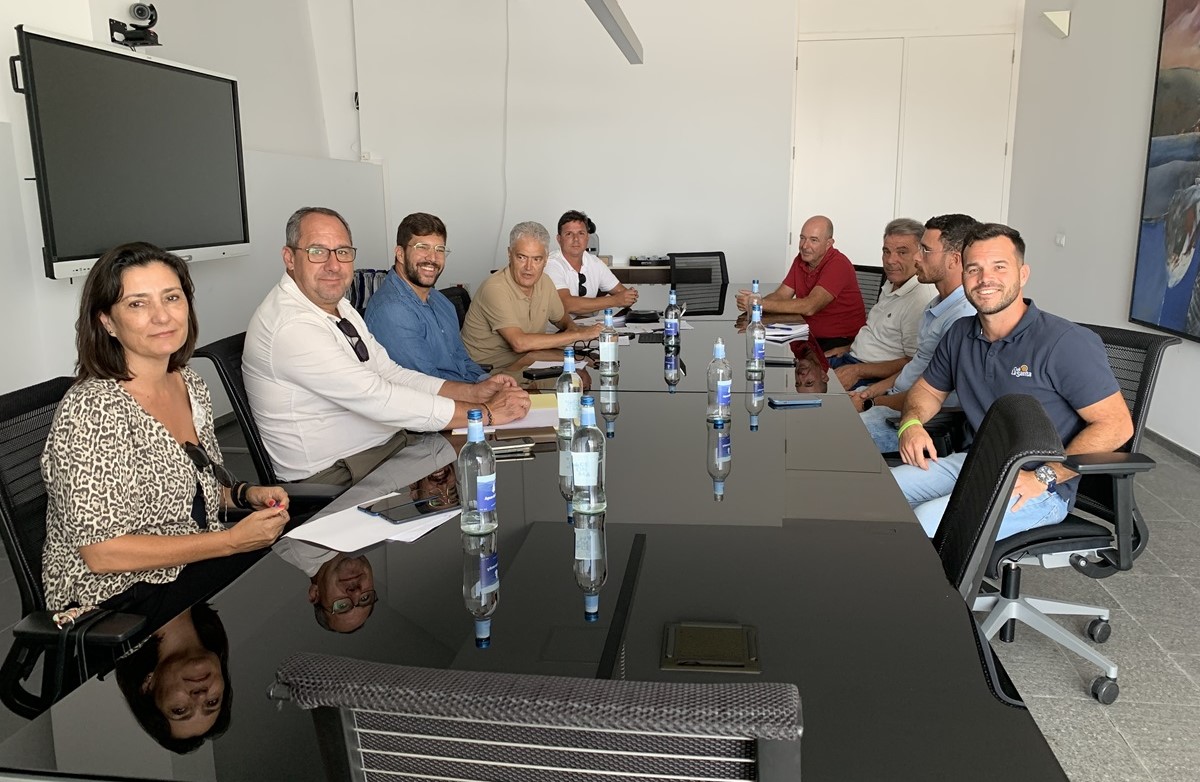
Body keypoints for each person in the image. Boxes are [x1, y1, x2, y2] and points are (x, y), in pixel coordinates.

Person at [40, 242, 291, 613]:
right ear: (106, 321)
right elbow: (102, 553)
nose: (162, 316)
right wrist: (232, 542)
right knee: (280, 583)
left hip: (188, 561)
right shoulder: (94, 409)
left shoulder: (188, 382)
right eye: (137, 304)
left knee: (292, 557)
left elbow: (191, 489)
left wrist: (242, 494)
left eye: (171, 297)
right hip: (114, 593)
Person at [242, 207, 531, 486]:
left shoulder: (338, 306)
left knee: (504, 457)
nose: (333, 265)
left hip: (387, 446)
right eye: (317, 252)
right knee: (480, 472)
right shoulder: (292, 326)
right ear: (289, 258)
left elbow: (390, 373)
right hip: (339, 473)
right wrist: (483, 413)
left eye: (342, 252)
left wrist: (473, 391)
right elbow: (377, 396)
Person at [892, 223, 1134, 539]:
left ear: (1022, 275)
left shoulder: (1064, 342)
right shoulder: (960, 334)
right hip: (975, 463)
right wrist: (911, 424)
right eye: (973, 269)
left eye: (999, 267)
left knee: (926, 521)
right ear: (962, 275)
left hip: (1041, 486)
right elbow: (926, 390)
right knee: (880, 493)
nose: (984, 279)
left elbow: (1117, 425)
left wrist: (1046, 476)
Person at [849, 214, 980, 452]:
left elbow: (936, 395)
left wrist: (870, 402)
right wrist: (869, 392)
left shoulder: (962, 318)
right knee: (819, 410)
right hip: (891, 399)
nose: (917, 257)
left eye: (926, 251)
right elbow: (914, 366)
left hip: (913, 419)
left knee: (828, 435)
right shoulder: (938, 305)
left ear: (954, 260)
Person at [363, 212, 489, 383]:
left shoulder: (442, 302)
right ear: (400, 254)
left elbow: (463, 361)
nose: (432, 258)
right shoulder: (392, 310)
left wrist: (488, 381)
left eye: (440, 249)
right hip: (436, 403)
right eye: (422, 247)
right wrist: (482, 393)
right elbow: (425, 385)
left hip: (464, 393)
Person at [461, 221, 603, 371]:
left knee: (586, 365)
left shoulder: (545, 282)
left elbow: (562, 319)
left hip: (528, 360)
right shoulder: (494, 289)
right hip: (489, 372)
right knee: (575, 370)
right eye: (522, 257)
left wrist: (573, 329)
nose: (528, 268)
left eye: (537, 259)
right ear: (509, 254)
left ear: (546, 259)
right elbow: (519, 343)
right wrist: (579, 335)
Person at [827, 218, 936, 390]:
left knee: (812, 402)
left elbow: (913, 363)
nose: (891, 260)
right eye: (886, 251)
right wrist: (848, 348)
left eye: (902, 252)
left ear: (920, 254)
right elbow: (880, 335)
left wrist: (858, 371)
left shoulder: (920, 298)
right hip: (851, 359)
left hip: (870, 378)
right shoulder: (891, 283)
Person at [735, 215, 866, 351]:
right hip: (806, 334)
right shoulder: (801, 260)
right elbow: (781, 295)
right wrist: (756, 305)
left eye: (813, 240)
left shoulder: (838, 265)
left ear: (828, 244)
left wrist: (758, 304)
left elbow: (810, 306)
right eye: (802, 238)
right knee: (757, 346)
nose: (804, 246)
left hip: (839, 343)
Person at [114, 603, 232, 754]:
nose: (201, 696)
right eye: (212, 702)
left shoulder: (117, 616)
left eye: (180, 710)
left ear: (147, 686)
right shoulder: (208, 582)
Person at [545, 210, 639, 316]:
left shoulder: (595, 262)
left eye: (581, 233)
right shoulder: (551, 264)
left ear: (587, 238)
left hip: (589, 328)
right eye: (569, 234)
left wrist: (629, 296)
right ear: (559, 239)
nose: (576, 239)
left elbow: (622, 294)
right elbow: (566, 304)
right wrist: (615, 300)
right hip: (556, 331)